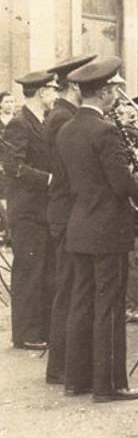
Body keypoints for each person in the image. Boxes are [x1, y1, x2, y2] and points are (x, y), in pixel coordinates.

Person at [58, 55, 138, 401]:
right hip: (107, 229)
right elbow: (121, 185)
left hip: (79, 226)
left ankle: (76, 380)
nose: (116, 97)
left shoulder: (67, 129)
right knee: (108, 306)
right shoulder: (106, 130)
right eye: (114, 90)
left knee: (81, 303)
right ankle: (109, 384)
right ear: (106, 91)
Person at [44, 53, 97, 384]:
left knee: (67, 289)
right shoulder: (64, 119)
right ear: (75, 85)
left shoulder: (60, 115)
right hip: (67, 210)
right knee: (69, 289)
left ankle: (61, 365)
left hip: (64, 210)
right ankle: (62, 366)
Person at [6, 70, 59, 350]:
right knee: (29, 270)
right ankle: (25, 334)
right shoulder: (19, 124)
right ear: (41, 93)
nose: (55, 95)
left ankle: (41, 329)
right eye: (53, 90)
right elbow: (14, 167)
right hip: (27, 211)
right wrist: (49, 179)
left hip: (41, 210)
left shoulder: (42, 121)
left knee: (44, 268)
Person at [0, 91, 16, 243]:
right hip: (1, 169)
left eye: (12, 102)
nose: (10, 105)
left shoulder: (18, 121)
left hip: (14, 166)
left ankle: (11, 234)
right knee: (3, 202)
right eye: (7, 102)